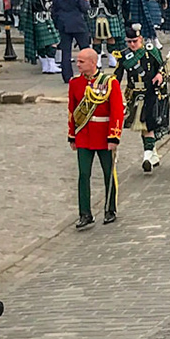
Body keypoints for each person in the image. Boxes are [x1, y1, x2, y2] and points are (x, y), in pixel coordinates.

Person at [66, 46, 124, 229]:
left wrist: (114, 137)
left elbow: (116, 111)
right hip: (84, 135)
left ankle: (110, 209)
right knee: (83, 174)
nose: (78, 65)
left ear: (93, 62)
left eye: (81, 62)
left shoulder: (109, 82)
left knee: (108, 174)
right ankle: (85, 213)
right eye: (78, 61)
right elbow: (72, 111)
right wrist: (72, 136)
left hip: (104, 135)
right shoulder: (75, 83)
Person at [119, 25, 170, 173]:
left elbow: (164, 69)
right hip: (134, 93)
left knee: (148, 124)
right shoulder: (124, 55)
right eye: (129, 42)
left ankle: (147, 157)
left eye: (134, 41)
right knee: (143, 127)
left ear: (140, 39)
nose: (132, 45)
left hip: (151, 92)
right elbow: (117, 76)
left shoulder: (151, 51)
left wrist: (160, 75)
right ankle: (152, 154)